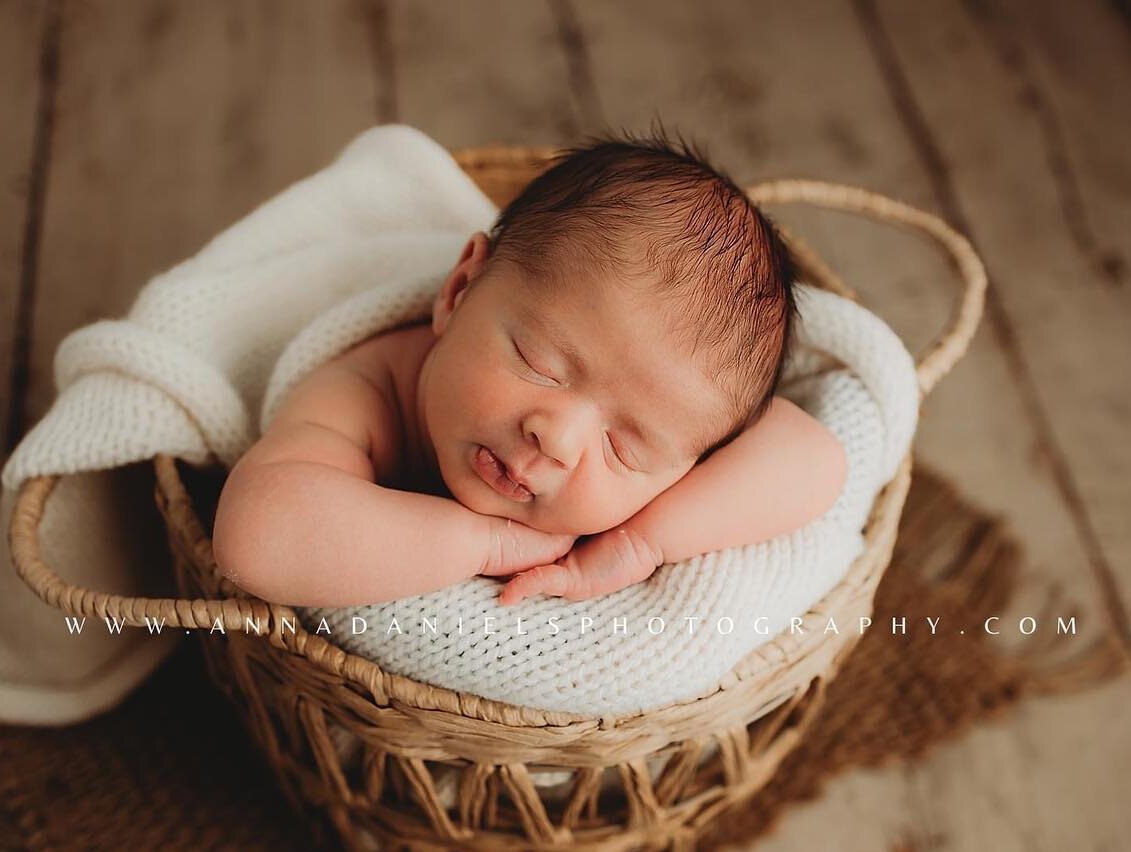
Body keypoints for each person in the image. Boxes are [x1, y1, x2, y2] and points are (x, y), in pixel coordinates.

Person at [212, 132, 847, 609]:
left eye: (624, 448)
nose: (558, 439)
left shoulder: (659, 462)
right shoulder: (363, 394)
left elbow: (815, 458)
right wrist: (482, 546)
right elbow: (256, 538)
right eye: (540, 364)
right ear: (461, 289)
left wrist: (642, 543)